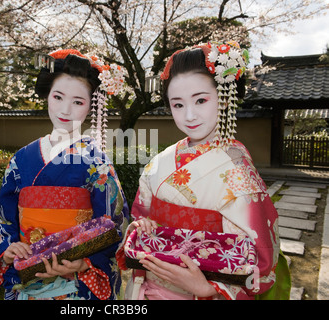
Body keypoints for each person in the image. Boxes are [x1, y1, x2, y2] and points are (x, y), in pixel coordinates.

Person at [117, 41, 290, 300]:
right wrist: (142, 227)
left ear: (224, 96)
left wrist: (209, 288)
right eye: (177, 105)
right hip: (148, 290)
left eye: (200, 100)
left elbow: (261, 257)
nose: (189, 115)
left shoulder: (237, 171)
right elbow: (140, 215)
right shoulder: (161, 161)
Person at [0, 49, 130, 300]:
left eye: (78, 101)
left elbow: (114, 223)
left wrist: (85, 262)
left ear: (91, 105)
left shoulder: (96, 162)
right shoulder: (22, 159)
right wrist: (8, 250)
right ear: (47, 96)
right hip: (28, 271)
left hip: (75, 279)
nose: (66, 110)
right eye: (58, 97)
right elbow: (4, 219)